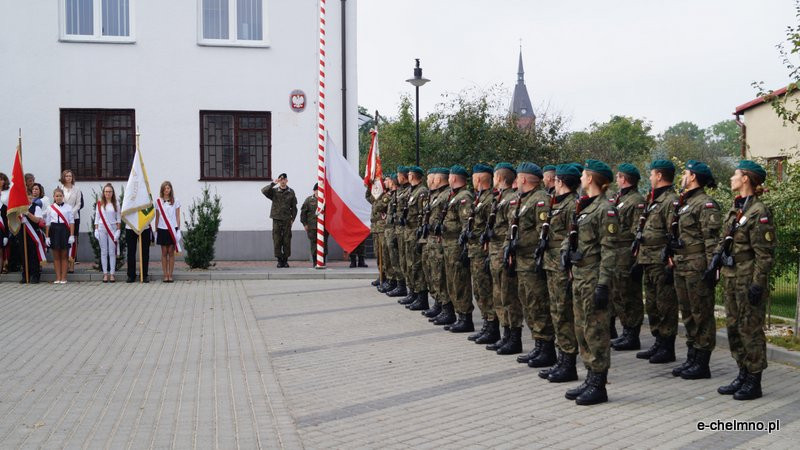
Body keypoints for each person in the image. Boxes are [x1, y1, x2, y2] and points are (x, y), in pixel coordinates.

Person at [715, 161, 776, 400]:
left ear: (746, 179)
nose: (731, 178)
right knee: (733, 327)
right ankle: (742, 372)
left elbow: (764, 254)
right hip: (731, 276)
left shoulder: (759, 212)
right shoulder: (737, 208)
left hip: (747, 276)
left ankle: (754, 379)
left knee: (749, 329)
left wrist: (758, 283)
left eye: (735, 174)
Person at [562, 160, 619, 406]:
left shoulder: (605, 209)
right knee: (581, 328)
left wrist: (603, 284)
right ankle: (589, 376)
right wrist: (566, 252)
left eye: (584, 174)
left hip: (594, 275)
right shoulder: (585, 206)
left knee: (596, 330)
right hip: (580, 275)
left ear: (591, 178)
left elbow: (609, 250)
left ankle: (599, 384)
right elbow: (571, 235)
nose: (581, 177)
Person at [669, 160, 722, 380]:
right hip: (682, 264)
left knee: (702, 314)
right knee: (688, 313)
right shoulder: (685, 202)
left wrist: (712, 268)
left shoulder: (705, 204)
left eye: (686, 173)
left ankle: (702, 362)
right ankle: (692, 356)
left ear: (692, 177)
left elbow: (711, 240)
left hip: (697, 264)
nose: (682, 176)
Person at [534, 164, 579, 373]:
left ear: (560, 182)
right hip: (551, 264)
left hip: (562, 266)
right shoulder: (558, 204)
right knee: (555, 310)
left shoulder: (572, 205)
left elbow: (573, 238)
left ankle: (567, 360)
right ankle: (560, 358)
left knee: (563, 313)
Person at [634, 160, 680, 364]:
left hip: (661, 260)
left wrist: (671, 261)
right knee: (652, 304)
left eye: (652, 174)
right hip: (648, 259)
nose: (650, 178)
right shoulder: (653, 199)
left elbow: (673, 232)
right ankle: (658, 341)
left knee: (665, 304)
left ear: (660, 176)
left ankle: (667, 346)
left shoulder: (670, 200)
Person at [609, 164, 647, 351]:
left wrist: (638, 260)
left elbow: (638, 233)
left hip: (627, 253)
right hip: (616, 253)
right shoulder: (618, 198)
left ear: (624, 179)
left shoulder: (636, 200)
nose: (616, 180)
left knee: (629, 293)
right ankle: (625, 330)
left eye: (618, 177)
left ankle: (633, 334)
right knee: (618, 293)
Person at [486, 163, 522, 355]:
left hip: (503, 252)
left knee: (509, 296)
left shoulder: (511, 199)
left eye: (494, 176)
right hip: (495, 252)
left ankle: (514, 337)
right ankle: (506, 334)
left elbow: (511, 228)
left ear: (499, 178)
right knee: (499, 295)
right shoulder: (499, 198)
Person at [441, 165, 476, 332]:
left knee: (460, 282)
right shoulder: (453, 196)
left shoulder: (464, 197)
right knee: (452, 281)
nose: (448, 179)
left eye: (449, 177)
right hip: (449, 245)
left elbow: (466, 224)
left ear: (454, 178)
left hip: (457, 246)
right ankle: (458, 314)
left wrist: (464, 248)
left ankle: (465, 317)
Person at [467, 164, 499, 344]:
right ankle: (487, 324)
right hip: (475, 252)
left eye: (473, 178)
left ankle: (492, 327)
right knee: (479, 290)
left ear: (478, 179)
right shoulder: (480, 199)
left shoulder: (489, 200)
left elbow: (491, 228)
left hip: (483, 252)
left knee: (486, 290)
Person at [417, 168, 448, 316]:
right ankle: (437, 302)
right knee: (431, 273)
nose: (428, 181)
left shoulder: (446, 195)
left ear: (437, 179)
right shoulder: (433, 195)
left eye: (431, 178)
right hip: (428, 240)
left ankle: (445, 307)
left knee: (439, 275)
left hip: (439, 242)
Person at [399, 166, 429, 307]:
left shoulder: (421, 192)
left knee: (417, 266)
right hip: (408, 233)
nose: (408, 176)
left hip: (415, 233)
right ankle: (413, 293)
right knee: (409, 264)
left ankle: (421, 297)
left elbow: (423, 214)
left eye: (410, 174)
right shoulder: (412, 191)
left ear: (414, 176)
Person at [261, 173, 297, 267]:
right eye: (281, 179)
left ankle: (285, 260)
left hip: (286, 220)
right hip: (276, 219)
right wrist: (273, 183)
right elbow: (263, 191)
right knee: (277, 240)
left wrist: (292, 219)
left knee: (286, 240)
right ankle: (279, 260)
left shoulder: (291, 192)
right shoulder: (274, 191)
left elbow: (294, 207)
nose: (282, 181)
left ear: (287, 180)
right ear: (279, 181)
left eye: (284, 179)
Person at [386, 166, 411, 297]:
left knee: (405, 261)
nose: (387, 182)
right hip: (396, 229)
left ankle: (404, 287)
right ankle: (400, 285)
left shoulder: (409, 192)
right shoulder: (398, 192)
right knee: (397, 259)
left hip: (404, 231)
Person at [45, 188, 75, 284]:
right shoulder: (50, 207)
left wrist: (71, 235)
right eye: (56, 196)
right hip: (54, 230)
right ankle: (58, 277)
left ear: (63, 197)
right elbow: (48, 223)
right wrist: (47, 236)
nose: (58, 198)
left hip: (64, 230)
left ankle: (64, 278)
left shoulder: (68, 207)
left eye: (60, 196)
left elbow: (71, 222)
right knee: (56, 256)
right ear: (54, 197)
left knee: (64, 255)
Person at [19, 183, 45, 283]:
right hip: (23, 234)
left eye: (30, 198)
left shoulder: (36, 207)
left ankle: (35, 276)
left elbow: (37, 220)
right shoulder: (20, 208)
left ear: (32, 199)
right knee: (24, 254)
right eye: (26, 198)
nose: (28, 200)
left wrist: (28, 214)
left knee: (33, 255)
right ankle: (25, 275)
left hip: (33, 234)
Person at [379, 174, 400, 294]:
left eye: (387, 180)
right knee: (389, 257)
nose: (384, 182)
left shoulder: (396, 194)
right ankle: (392, 281)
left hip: (395, 230)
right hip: (389, 229)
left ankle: (397, 283)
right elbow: (377, 206)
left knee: (395, 259)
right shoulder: (389, 195)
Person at [94, 183, 120, 283]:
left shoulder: (116, 203)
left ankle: (112, 274)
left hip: (112, 228)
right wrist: (96, 229)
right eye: (106, 191)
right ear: (103, 193)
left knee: (112, 252)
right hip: (101, 228)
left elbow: (118, 217)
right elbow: (97, 217)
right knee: (104, 252)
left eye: (109, 191)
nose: (107, 193)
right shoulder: (100, 203)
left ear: (112, 193)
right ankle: (105, 274)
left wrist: (118, 230)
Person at [58, 169, 83, 273]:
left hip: (74, 217)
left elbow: (79, 204)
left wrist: (71, 213)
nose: (68, 178)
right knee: (64, 240)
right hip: (62, 218)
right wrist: (65, 214)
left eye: (70, 176)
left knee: (73, 240)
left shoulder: (77, 189)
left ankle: (72, 264)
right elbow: (58, 202)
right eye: (67, 176)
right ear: (63, 177)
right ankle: (65, 264)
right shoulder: (60, 189)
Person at [156, 181, 180, 282]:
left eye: (168, 188)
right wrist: (155, 230)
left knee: (171, 252)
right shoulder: (158, 201)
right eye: (165, 188)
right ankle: (165, 275)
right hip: (162, 229)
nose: (167, 190)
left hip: (172, 229)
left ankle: (170, 275)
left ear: (171, 189)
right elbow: (157, 217)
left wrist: (178, 229)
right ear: (162, 190)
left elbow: (177, 215)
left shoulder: (176, 201)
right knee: (164, 252)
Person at [301, 183, 328, 266]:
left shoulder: (325, 200)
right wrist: (305, 224)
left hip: (324, 227)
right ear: (314, 190)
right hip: (312, 226)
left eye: (320, 190)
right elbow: (303, 213)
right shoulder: (309, 200)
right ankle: (315, 261)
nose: (318, 191)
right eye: (317, 190)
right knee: (314, 244)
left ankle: (322, 261)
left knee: (324, 244)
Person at [1, 172, 9, 274]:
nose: (0, 181)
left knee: (4, 245)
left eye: (2, 179)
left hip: (4, 217)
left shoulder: (7, 192)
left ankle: (5, 265)